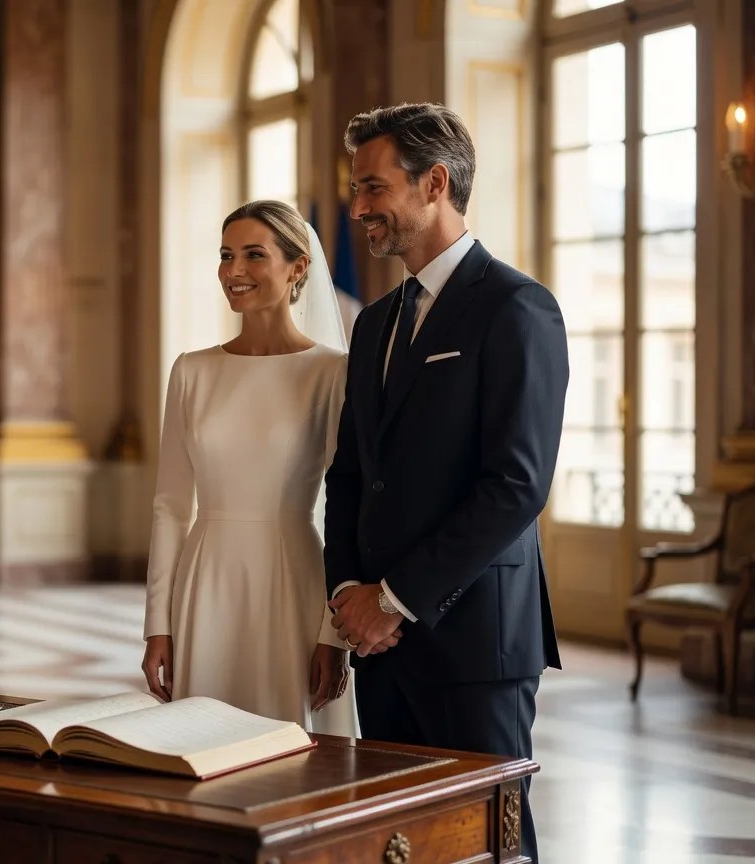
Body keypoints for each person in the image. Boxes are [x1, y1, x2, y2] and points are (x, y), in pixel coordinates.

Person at [323, 103, 568, 862]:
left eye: (373, 186)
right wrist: (348, 597)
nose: (357, 206)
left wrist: (394, 599)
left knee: (491, 845)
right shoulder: (373, 323)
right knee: (401, 844)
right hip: (378, 645)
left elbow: (516, 486)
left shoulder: (517, 309)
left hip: (474, 644)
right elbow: (352, 475)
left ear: (435, 183)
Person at [141, 199, 390, 737]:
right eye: (227, 255)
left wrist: (333, 633)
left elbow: (347, 506)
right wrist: (156, 626)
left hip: (292, 580)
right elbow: (169, 507)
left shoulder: (330, 372)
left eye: (255, 255)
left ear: (298, 267)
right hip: (206, 583)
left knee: (295, 752)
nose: (234, 272)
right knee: (201, 746)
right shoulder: (191, 370)